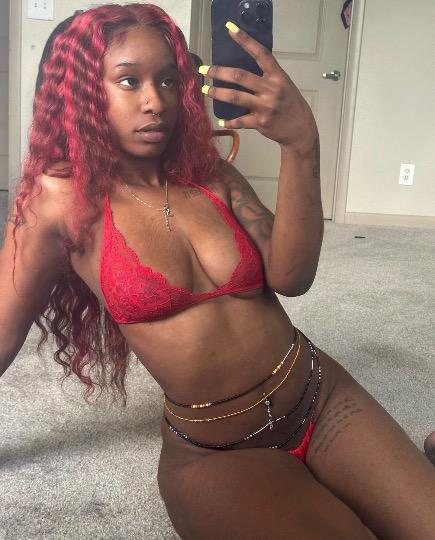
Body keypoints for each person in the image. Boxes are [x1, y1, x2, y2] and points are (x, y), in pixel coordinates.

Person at [1, 4, 434, 539]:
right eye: (129, 81)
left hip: (320, 396)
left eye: (167, 80)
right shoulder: (57, 201)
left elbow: (292, 277)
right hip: (219, 451)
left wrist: (301, 146)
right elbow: (4, 331)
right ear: (83, 91)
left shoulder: (210, 175)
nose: (155, 101)